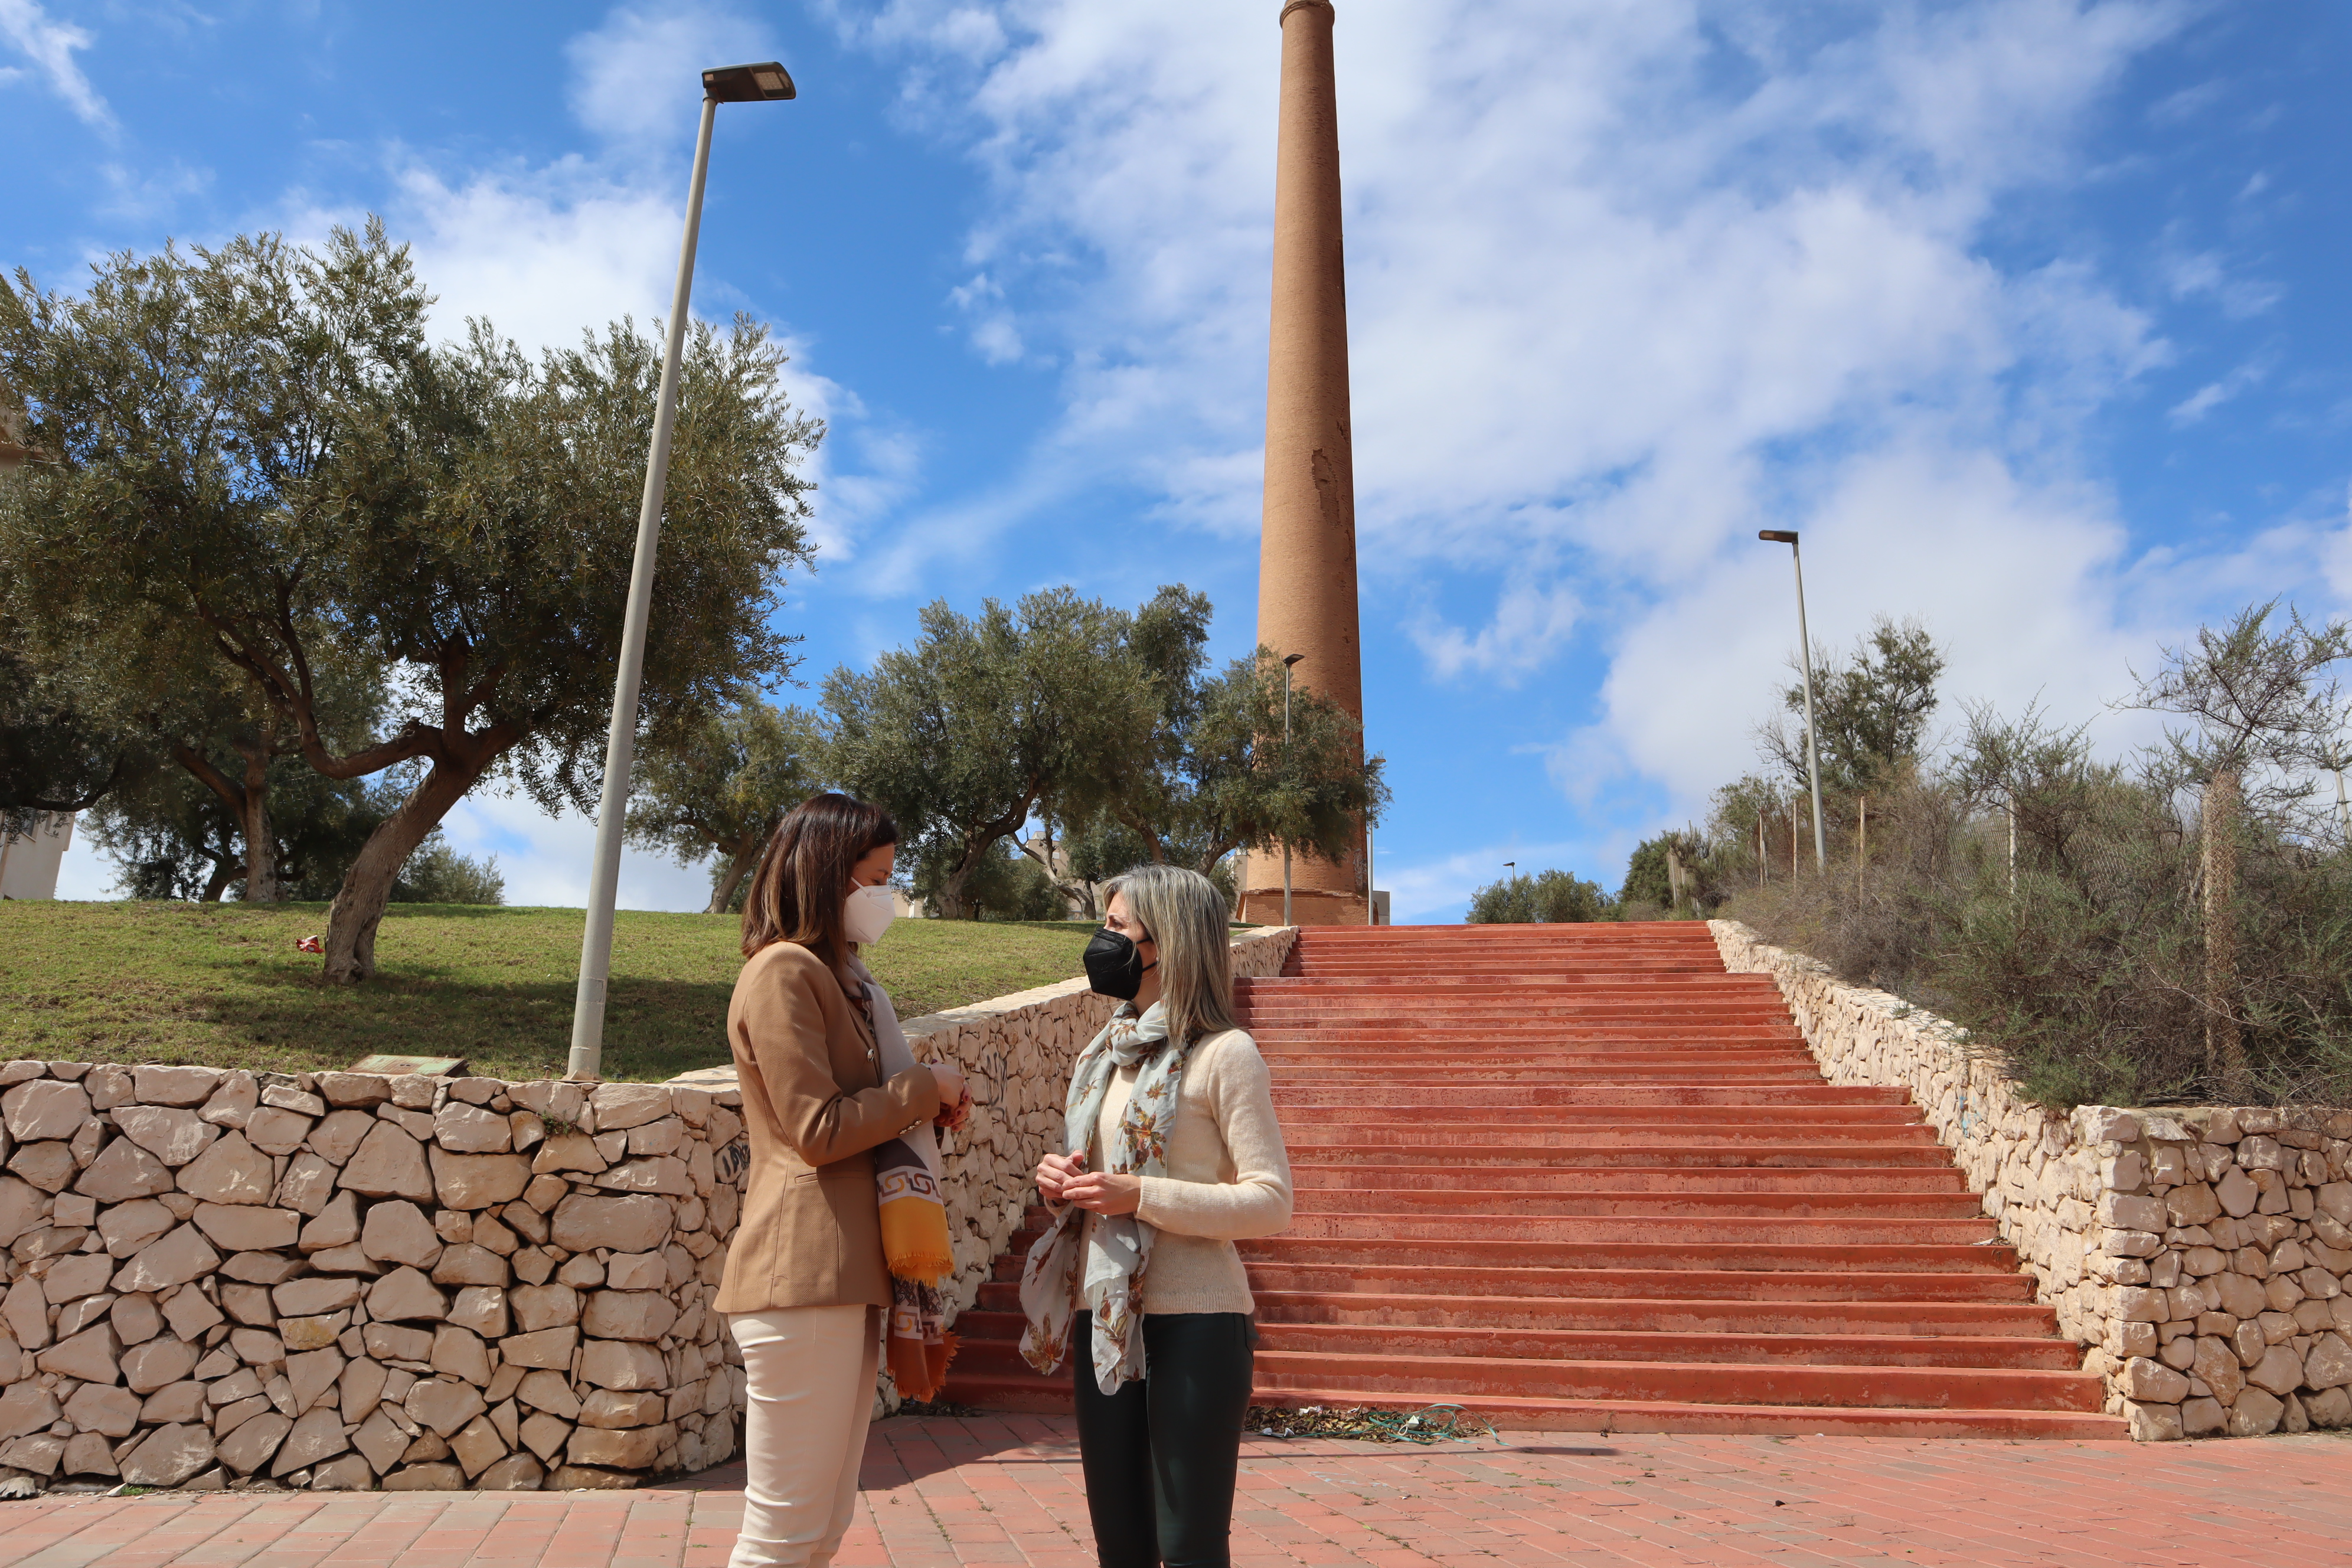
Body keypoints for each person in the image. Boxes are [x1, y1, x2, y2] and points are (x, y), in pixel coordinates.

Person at [717, 792, 973, 1568]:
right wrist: (921, 1090)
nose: (885, 897)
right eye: (874, 878)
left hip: (839, 1276)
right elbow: (818, 1128)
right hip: (803, 1274)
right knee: (784, 1535)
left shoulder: (842, 979)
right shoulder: (784, 973)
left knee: (817, 1532)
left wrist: (920, 1105)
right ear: (825, 875)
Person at [1020, 863, 1293, 1568]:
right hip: (1104, 1320)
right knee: (1122, 1548)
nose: (1099, 941)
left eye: (1116, 927)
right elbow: (1096, 1181)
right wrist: (1060, 1185)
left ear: (1165, 941)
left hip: (1196, 1325)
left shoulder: (1226, 1055)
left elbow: (1271, 1200)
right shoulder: (1102, 1056)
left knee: (1191, 1548)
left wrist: (1142, 1195)